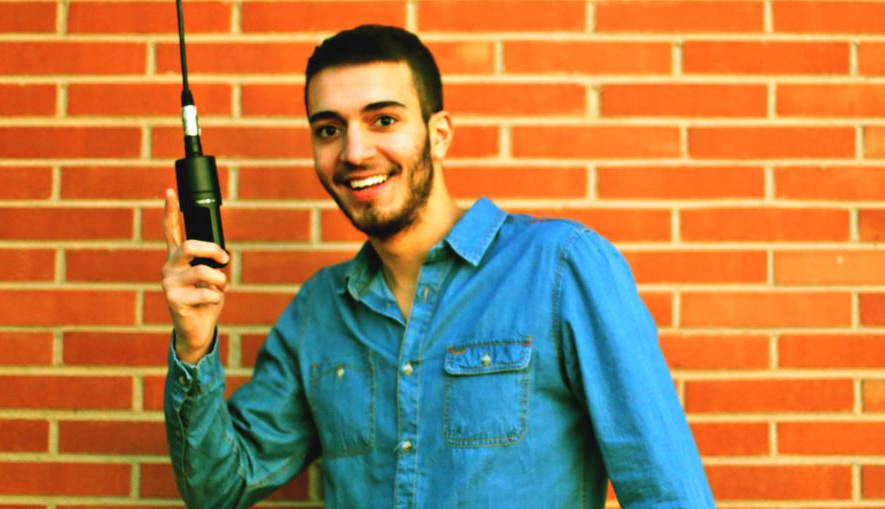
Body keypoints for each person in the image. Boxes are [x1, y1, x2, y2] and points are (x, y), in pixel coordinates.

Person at [161, 24, 715, 509]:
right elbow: (218, 489)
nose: (354, 152)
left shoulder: (561, 268)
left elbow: (667, 492)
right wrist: (194, 342)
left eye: (383, 120)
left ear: (439, 133)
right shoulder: (318, 312)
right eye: (329, 128)